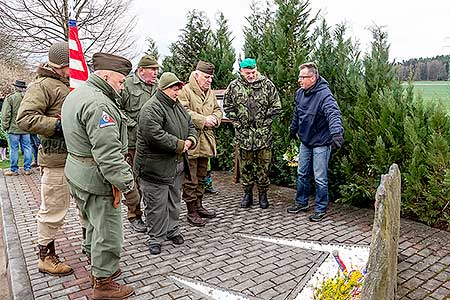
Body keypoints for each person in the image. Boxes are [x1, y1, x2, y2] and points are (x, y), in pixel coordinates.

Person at [61, 53, 137, 299]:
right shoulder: (99, 104)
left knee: (92, 223)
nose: (122, 86)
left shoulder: (77, 95)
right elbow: (109, 155)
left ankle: (98, 266)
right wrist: (129, 186)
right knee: (108, 230)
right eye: (120, 81)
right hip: (97, 178)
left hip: (78, 172)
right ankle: (103, 284)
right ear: (106, 76)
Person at [17, 42, 73, 276]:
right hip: (56, 158)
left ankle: (88, 247)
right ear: (61, 65)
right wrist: (58, 125)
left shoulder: (68, 84)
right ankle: (45, 256)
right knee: (53, 209)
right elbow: (25, 118)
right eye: (71, 63)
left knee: (83, 207)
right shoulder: (41, 86)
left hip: (76, 158)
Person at [134, 72, 197, 255]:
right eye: (173, 88)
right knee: (155, 205)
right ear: (163, 88)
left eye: (178, 88)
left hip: (175, 166)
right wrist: (180, 145)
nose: (177, 91)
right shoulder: (151, 108)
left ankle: (172, 230)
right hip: (154, 168)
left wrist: (191, 140)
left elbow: (190, 125)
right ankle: (155, 237)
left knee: (174, 200)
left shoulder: (177, 106)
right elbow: (153, 135)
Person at [287, 62, 344, 222]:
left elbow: (333, 114)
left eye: (303, 77)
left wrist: (337, 133)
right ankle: (301, 203)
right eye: (299, 77)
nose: (300, 80)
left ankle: (320, 208)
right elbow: (297, 114)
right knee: (302, 173)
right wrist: (292, 130)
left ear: (313, 77)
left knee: (320, 177)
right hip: (305, 140)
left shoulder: (324, 94)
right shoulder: (300, 93)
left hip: (321, 142)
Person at [223, 58, 281, 209]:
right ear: (241, 72)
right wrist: (238, 123)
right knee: (246, 167)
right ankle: (247, 194)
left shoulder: (267, 85)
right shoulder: (234, 86)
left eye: (253, 72)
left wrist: (264, 124)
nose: (251, 75)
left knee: (264, 167)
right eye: (247, 73)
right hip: (244, 136)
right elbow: (227, 107)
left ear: (257, 69)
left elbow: (276, 106)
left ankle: (263, 195)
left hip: (263, 136)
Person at [179, 61, 223, 226]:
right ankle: (191, 212)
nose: (209, 80)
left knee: (202, 177)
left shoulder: (209, 92)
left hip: (206, 142)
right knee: (190, 180)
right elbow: (183, 112)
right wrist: (203, 120)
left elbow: (218, 110)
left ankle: (199, 205)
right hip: (191, 140)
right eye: (206, 77)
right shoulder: (185, 91)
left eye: (210, 77)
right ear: (196, 75)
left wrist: (215, 119)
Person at [119, 54, 159, 233]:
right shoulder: (127, 84)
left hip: (154, 142)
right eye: (153, 70)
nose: (156, 73)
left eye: (157, 70)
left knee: (152, 179)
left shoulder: (157, 87)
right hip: (133, 142)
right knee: (134, 181)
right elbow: (117, 110)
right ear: (141, 70)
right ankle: (134, 215)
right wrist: (136, 126)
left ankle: (153, 214)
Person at [2, 80, 33, 176]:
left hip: (14, 128)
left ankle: (14, 170)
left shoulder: (11, 98)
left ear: (15, 87)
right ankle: (27, 169)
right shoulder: (28, 98)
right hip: (25, 127)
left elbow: (6, 114)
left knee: (14, 149)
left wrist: (5, 126)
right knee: (28, 147)